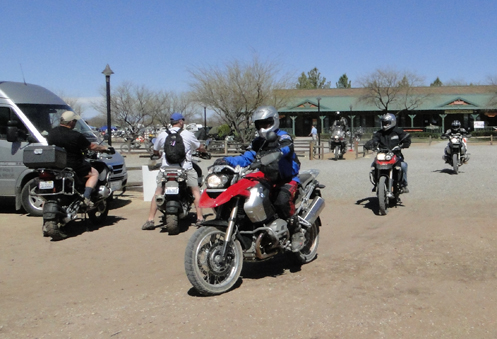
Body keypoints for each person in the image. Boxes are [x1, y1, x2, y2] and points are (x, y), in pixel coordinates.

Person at [213, 106, 304, 252]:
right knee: (248, 198)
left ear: (274, 121)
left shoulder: (283, 137)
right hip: (266, 177)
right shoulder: (257, 142)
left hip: (286, 179)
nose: (262, 127)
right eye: (259, 124)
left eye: (266, 123)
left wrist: (278, 152)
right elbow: (246, 158)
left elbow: (287, 146)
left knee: (282, 201)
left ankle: (296, 231)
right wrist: (226, 160)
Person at [142, 112, 206, 231]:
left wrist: (158, 154)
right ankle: (200, 218)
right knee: (196, 190)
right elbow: (199, 147)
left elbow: (155, 150)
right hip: (185, 168)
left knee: (158, 192)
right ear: (180, 122)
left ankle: (150, 220)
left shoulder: (162, 134)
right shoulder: (188, 134)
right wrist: (203, 150)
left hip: (166, 169)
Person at [47, 111, 113, 207]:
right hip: (73, 165)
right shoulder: (76, 135)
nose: (75, 123)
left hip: (56, 166)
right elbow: (92, 146)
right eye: (75, 121)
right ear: (71, 122)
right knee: (94, 173)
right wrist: (105, 148)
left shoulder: (51, 133)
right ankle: (85, 198)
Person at [369, 113, 411, 193]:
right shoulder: (379, 133)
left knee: (403, 165)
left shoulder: (398, 131)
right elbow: (374, 139)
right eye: (383, 123)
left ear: (392, 122)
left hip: (396, 154)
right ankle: (376, 183)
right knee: (373, 166)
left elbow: (406, 138)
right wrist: (371, 144)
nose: (385, 125)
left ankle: (403, 184)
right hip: (382, 154)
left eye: (386, 123)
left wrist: (405, 143)